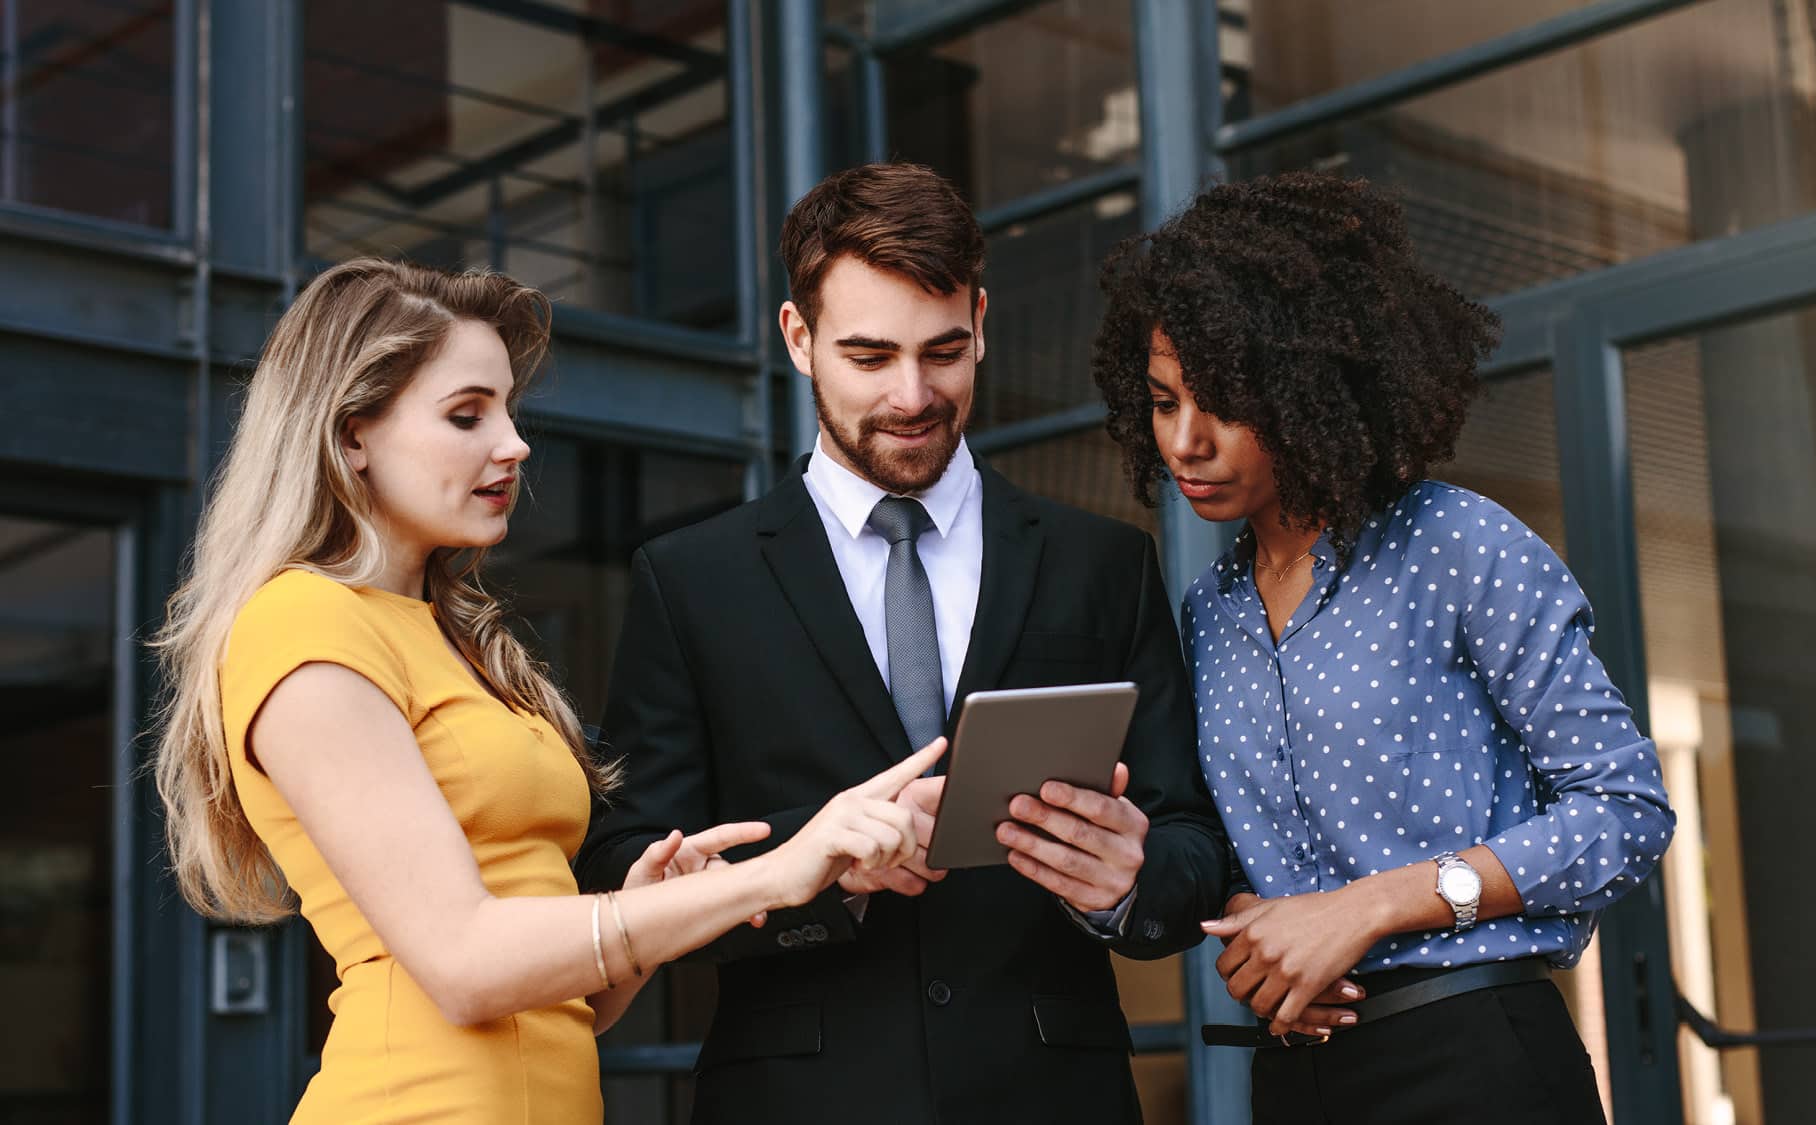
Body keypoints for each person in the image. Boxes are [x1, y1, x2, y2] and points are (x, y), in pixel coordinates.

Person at [149, 258, 939, 1124]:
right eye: (466, 414)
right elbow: (464, 963)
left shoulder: (457, 642)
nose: (514, 443)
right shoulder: (301, 624)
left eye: (508, 409)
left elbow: (570, 1004)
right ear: (350, 437)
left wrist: (643, 913)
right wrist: (775, 875)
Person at [573, 162, 1233, 1125]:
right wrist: (810, 873)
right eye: (871, 356)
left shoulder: (1105, 563)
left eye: (944, 351)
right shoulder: (689, 581)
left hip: (1054, 1097)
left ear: (981, 322)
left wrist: (1129, 884)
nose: (914, 394)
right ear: (799, 339)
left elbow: (1194, 841)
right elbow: (625, 863)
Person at [1089, 172, 1678, 1124]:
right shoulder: (1209, 613)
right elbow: (1248, 866)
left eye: (1224, 403)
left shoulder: (1456, 546)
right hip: (1295, 1075)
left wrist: (1370, 906)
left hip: (1477, 1060)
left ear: (1310, 387)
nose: (1186, 442)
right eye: (1162, 402)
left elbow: (1625, 811)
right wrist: (1255, 934)